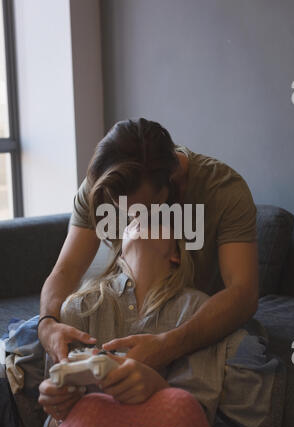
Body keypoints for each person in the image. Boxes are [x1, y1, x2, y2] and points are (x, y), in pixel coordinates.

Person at [38, 218, 283, 427]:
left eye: (159, 219)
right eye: (134, 219)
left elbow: (193, 419)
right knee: (87, 411)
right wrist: (59, 414)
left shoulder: (201, 312)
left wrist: (155, 387)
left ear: (176, 254)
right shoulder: (78, 307)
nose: (144, 216)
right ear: (122, 250)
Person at [37, 117, 259, 373]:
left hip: (194, 324)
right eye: (123, 210)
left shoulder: (223, 190)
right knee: (31, 343)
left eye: (142, 211)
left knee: (247, 358)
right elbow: (66, 269)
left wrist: (167, 345)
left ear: (172, 179)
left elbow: (244, 294)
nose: (132, 221)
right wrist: (47, 323)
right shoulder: (102, 184)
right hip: (119, 313)